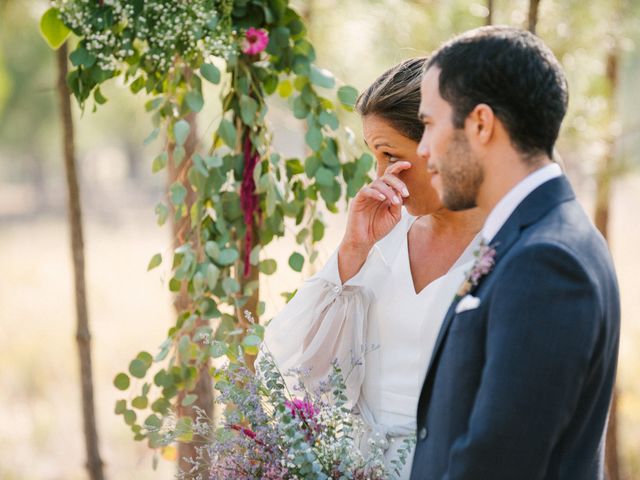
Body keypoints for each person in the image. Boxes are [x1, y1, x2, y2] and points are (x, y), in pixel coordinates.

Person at [410, 26, 620, 480]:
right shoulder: (536, 235)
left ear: (481, 123)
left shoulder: (547, 261)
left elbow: (499, 462)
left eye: (428, 124)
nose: (423, 149)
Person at [262, 57, 485, 478]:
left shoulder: (503, 245)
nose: (380, 175)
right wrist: (353, 249)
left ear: (437, 144)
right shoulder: (381, 240)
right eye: (373, 157)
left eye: (389, 155)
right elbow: (300, 366)